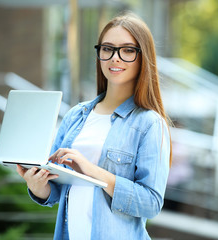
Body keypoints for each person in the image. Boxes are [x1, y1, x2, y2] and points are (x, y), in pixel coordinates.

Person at [16, 12, 172, 240]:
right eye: (107, 48)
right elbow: (57, 190)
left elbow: (151, 203)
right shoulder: (76, 115)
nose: (115, 58)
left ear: (143, 57)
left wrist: (93, 171)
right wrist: (36, 185)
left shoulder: (149, 123)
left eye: (128, 50)